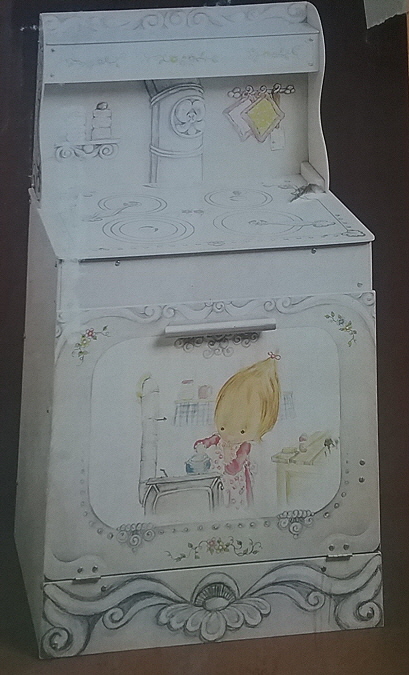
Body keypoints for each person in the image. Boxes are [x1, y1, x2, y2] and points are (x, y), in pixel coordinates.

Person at [194, 352, 280, 509]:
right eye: (223, 427)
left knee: (234, 506)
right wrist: (202, 444)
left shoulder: (244, 446)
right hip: (218, 481)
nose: (229, 435)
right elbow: (210, 440)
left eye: (242, 431)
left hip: (236, 484)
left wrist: (232, 462)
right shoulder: (220, 438)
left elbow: (238, 462)